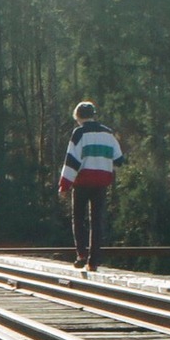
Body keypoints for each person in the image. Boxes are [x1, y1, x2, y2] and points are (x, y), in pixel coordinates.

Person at [57, 101, 125, 270]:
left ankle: (81, 254)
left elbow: (72, 160)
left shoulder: (79, 133)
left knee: (78, 219)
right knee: (97, 221)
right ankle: (93, 262)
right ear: (93, 115)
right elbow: (119, 159)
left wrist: (64, 185)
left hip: (82, 182)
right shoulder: (108, 133)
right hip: (101, 182)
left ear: (78, 116)